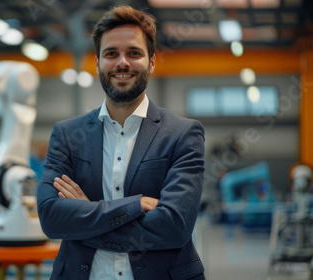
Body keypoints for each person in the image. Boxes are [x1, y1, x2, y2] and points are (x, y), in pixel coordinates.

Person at [37, 5, 205, 280]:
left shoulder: (182, 134)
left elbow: (174, 227)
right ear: (98, 62)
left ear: (151, 62)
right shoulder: (68, 135)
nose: (122, 62)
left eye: (134, 53)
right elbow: (52, 218)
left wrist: (85, 216)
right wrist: (135, 205)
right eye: (111, 54)